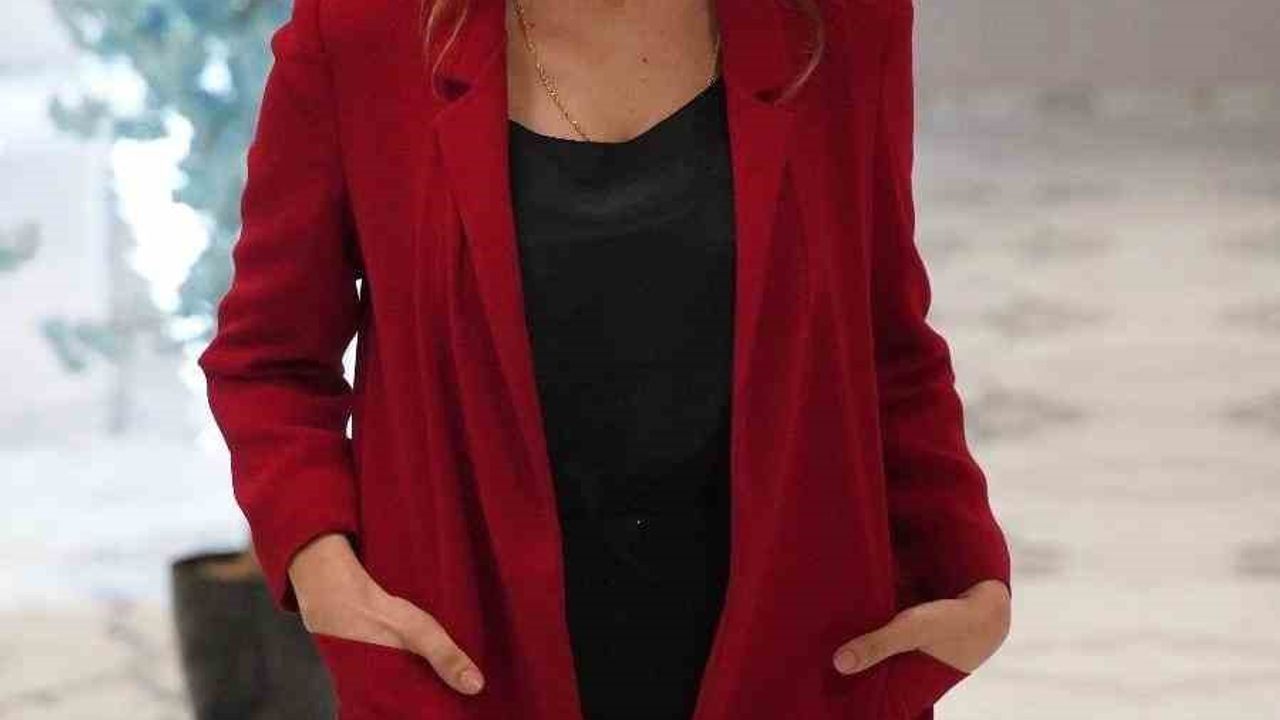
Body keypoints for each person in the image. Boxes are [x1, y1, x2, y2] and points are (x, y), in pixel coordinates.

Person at [197, 0, 1013, 717]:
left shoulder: (842, 24)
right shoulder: (362, 32)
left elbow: (885, 339)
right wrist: (321, 566)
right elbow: (269, 357)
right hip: (467, 671)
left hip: (794, 662)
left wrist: (972, 574)